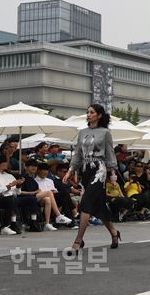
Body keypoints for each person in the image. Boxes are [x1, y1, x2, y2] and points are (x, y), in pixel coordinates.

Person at [63, 104, 120, 255]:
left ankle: (78, 241)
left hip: (99, 171)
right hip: (85, 171)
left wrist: (112, 176)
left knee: (86, 203)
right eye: (87, 112)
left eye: (92, 112)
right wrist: (70, 171)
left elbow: (110, 154)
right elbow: (77, 155)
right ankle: (114, 233)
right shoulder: (82, 132)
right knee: (99, 207)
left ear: (99, 115)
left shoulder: (105, 133)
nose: (88, 115)